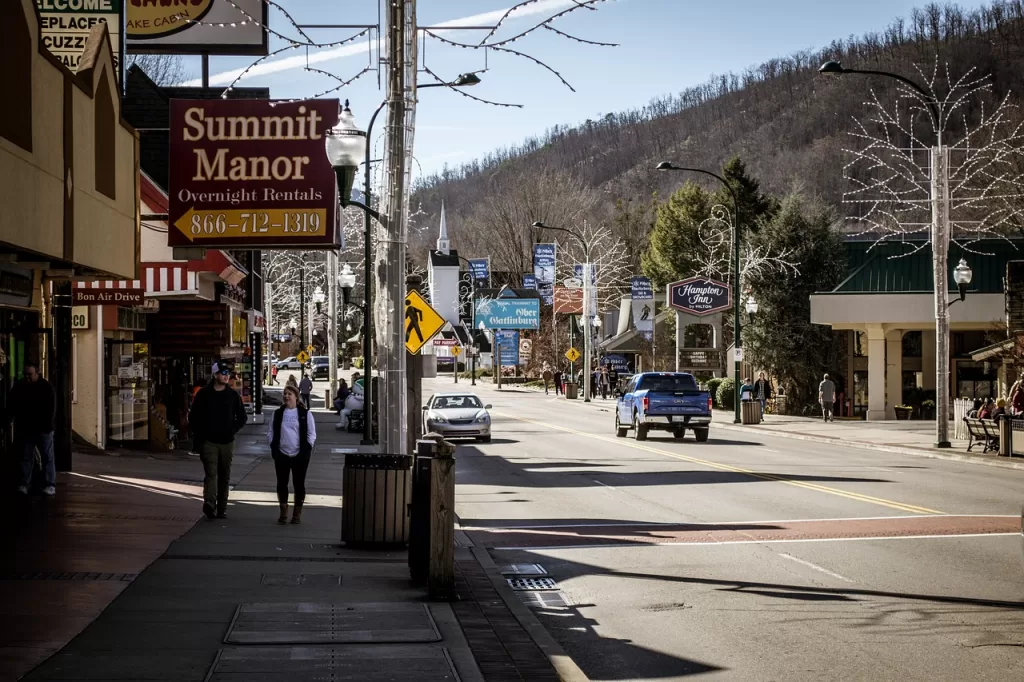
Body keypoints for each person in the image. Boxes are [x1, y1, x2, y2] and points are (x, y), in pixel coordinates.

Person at [190, 360, 248, 519]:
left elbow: (242, 417)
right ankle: (210, 503)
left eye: (227, 374)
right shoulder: (203, 394)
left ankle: (222, 508)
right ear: (215, 375)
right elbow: (194, 417)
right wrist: (198, 437)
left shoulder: (233, 395)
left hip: (227, 442)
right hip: (208, 442)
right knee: (211, 473)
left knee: (224, 475)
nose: (226, 376)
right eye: (223, 373)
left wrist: (232, 430)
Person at [267, 385, 317, 524]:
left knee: (298, 484)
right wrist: (273, 446)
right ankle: (283, 512)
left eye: (289, 394)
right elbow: (270, 431)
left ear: (296, 396)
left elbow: (311, 434)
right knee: (282, 483)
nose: (286, 396)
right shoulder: (277, 413)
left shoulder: (305, 414)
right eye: (285, 394)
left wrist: (307, 448)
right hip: (281, 454)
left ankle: (297, 514)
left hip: (299, 455)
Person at [10, 363, 57, 496]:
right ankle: (31, 484)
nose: (27, 377)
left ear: (37, 373)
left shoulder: (45, 388)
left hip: (40, 429)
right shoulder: (28, 387)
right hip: (30, 428)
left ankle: (42, 484)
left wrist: (47, 426)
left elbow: (50, 410)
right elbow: (12, 405)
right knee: (30, 457)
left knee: (41, 457)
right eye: (25, 374)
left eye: (29, 375)